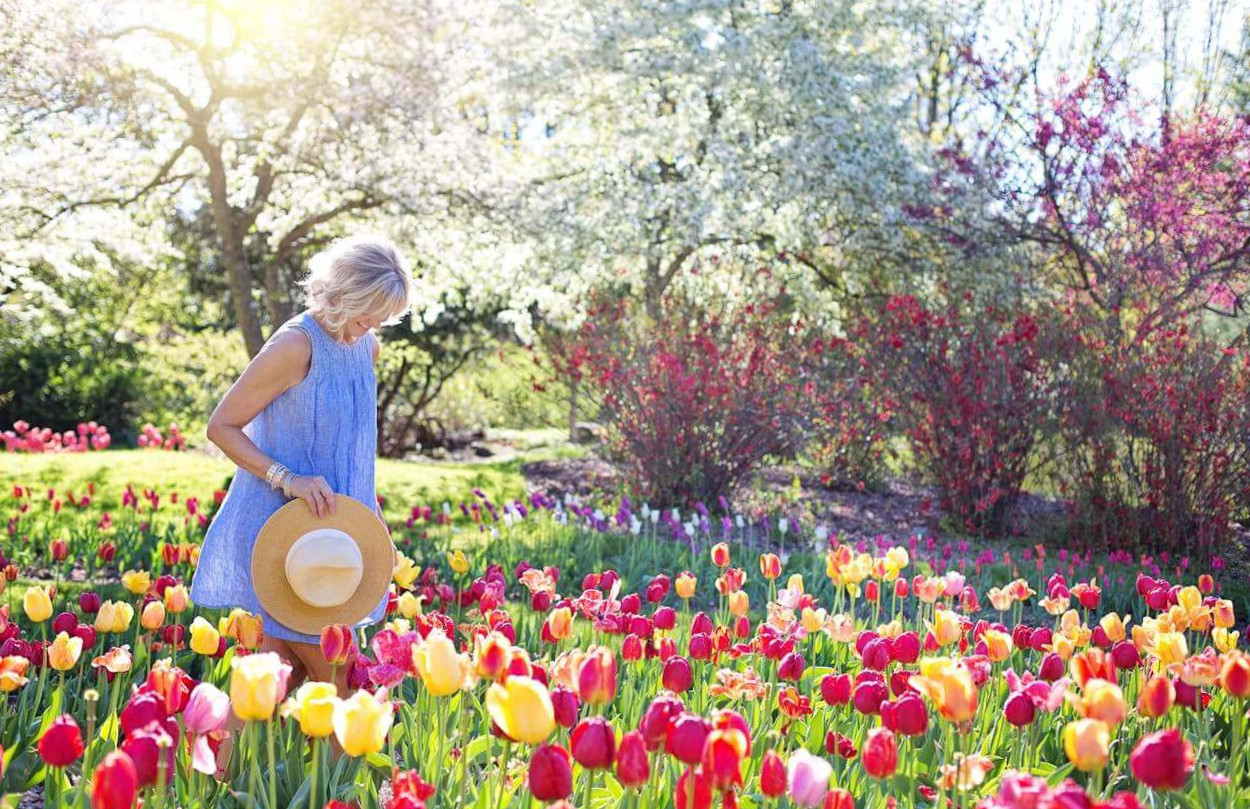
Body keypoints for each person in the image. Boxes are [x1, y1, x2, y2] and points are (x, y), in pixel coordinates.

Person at [190, 235, 412, 692]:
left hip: (335, 536)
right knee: (346, 685)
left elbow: (354, 455)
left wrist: (374, 526)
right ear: (341, 295)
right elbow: (222, 427)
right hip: (290, 536)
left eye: (380, 321)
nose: (368, 329)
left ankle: (210, 765)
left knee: (272, 683)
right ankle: (369, 768)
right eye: (365, 316)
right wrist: (286, 479)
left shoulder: (366, 348)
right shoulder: (295, 346)